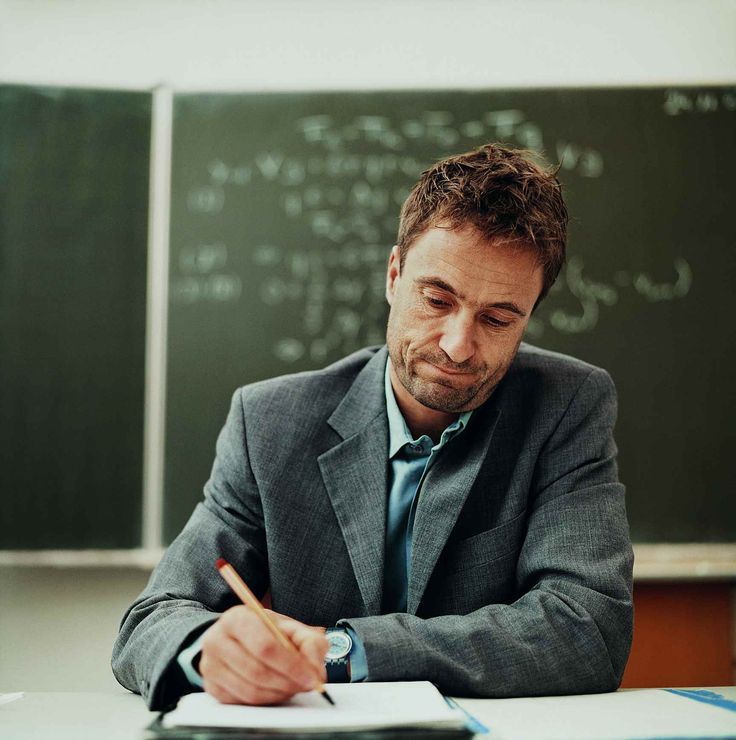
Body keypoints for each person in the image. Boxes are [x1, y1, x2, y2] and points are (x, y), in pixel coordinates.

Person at [112, 143, 634, 711]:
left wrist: (344, 650)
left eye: (498, 318)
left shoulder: (568, 405)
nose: (458, 346)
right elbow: (149, 622)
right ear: (393, 276)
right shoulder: (269, 423)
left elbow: (589, 628)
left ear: (529, 314)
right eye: (437, 299)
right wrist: (207, 651)